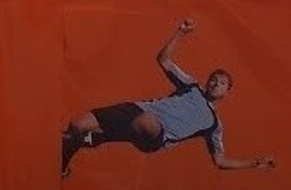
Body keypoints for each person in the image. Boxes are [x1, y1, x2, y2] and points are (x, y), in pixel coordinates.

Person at [60, 19, 275, 178]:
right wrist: (181, 32)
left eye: (221, 83)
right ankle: (65, 160)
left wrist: (254, 163)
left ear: (227, 92)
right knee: (77, 125)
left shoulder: (213, 124)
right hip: (137, 109)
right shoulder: (191, 86)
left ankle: (99, 137)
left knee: (146, 121)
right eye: (213, 79)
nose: (215, 83)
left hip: (157, 135)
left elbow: (220, 161)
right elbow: (164, 60)